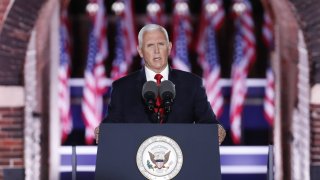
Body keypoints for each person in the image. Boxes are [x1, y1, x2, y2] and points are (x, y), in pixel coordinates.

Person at [95, 24, 225, 144]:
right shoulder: (122, 87)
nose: (156, 51)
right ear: (140, 51)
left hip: (182, 160)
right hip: (135, 162)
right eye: (150, 45)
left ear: (169, 48)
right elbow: (112, 124)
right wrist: (103, 131)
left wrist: (217, 130)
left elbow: (208, 123)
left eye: (161, 44)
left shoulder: (192, 84)